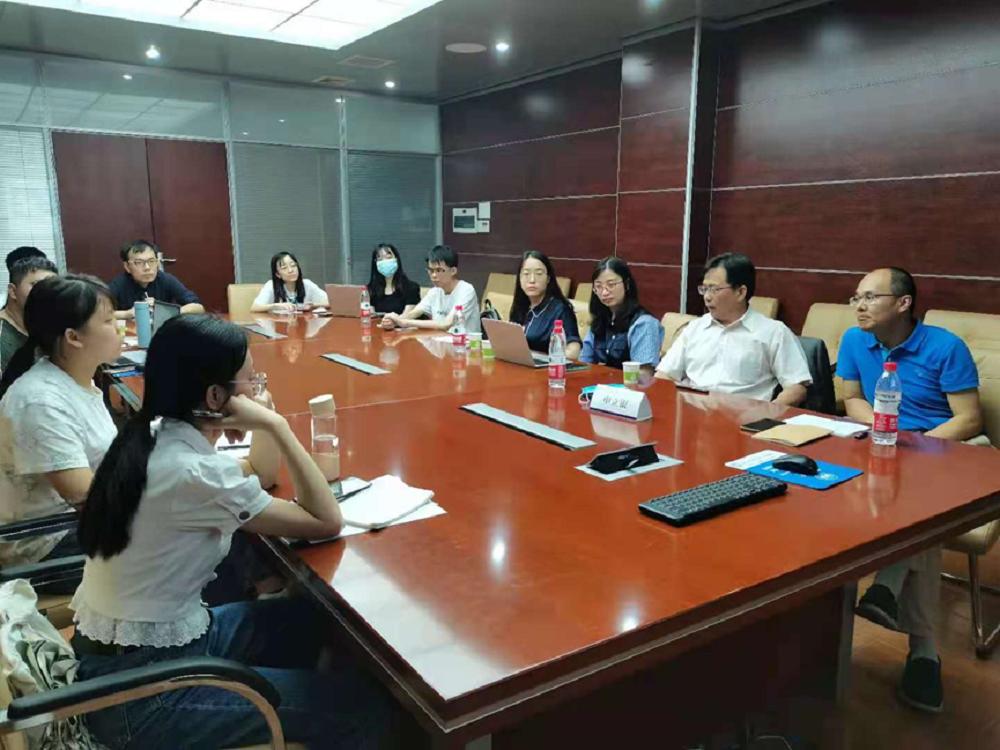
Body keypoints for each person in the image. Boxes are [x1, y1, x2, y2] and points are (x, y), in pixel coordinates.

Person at [72, 314, 390, 749]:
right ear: (215, 396)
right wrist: (277, 426)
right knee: (363, 710)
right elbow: (325, 520)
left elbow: (259, 471)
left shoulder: (153, 435)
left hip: (142, 650)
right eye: (250, 380)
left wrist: (263, 415)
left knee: (309, 620)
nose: (256, 388)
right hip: (143, 697)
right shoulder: (193, 472)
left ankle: (297, 705)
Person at [840, 266, 984, 714]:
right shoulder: (854, 340)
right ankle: (921, 649)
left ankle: (891, 590)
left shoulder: (945, 346)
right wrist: (883, 432)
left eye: (870, 297)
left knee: (919, 504)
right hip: (883, 443)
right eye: (856, 297)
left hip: (943, 445)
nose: (859, 306)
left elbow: (969, 418)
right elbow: (852, 398)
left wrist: (915, 446)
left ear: (903, 303)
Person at [0, 275, 121, 569]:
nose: (120, 328)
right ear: (73, 338)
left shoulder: (75, 380)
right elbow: (87, 499)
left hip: (77, 518)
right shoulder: (40, 401)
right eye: (109, 321)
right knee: (192, 531)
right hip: (46, 541)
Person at [656, 252, 811, 405]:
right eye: (704, 289)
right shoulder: (694, 328)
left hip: (744, 416)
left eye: (714, 289)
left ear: (740, 292)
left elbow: (796, 387)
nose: (707, 297)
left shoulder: (773, 333)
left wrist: (769, 414)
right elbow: (665, 375)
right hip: (693, 413)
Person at [579, 257, 662, 374]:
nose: (604, 292)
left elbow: (644, 375)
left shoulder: (644, 323)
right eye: (598, 286)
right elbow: (584, 364)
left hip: (629, 385)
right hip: (597, 383)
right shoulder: (600, 320)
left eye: (611, 285)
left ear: (626, 284)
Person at [380, 244, 480, 334]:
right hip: (440, 344)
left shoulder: (466, 290)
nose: (434, 275)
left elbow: (446, 324)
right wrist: (394, 320)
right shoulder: (434, 292)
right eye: (431, 270)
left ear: (453, 271)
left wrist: (404, 323)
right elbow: (414, 313)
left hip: (465, 345)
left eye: (439, 270)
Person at [509, 250, 581, 359]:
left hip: (547, 366)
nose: (532, 280)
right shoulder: (520, 305)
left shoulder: (560, 309)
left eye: (538, 274)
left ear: (548, 278)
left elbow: (574, 350)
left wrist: (550, 359)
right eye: (526, 274)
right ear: (519, 278)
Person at [108, 239, 204, 318]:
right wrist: (127, 314)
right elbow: (101, 314)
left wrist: (166, 311)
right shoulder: (119, 284)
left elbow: (198, 308)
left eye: (151, 261)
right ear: (127, 267)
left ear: (157, 262)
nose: (147, 267)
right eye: (139, 262)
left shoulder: (166, 279)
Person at [0, 256, 58, 371]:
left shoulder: (46, 325)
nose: (48, 293)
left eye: (53, 286)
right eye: (37, 285)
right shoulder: (3, 336)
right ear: (13, 291)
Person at [250, 251, 329, 313]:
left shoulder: (307, 284)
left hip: (303, 324)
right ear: (278, 274)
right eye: (284, 268)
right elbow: (254, 307)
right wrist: (276, 306)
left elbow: (331, 302)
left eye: (293, 265)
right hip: (279, 326)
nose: (291, 270)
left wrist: (313, 305)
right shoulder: (271, 285)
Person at [367, 243, 420, 315]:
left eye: (389, 257)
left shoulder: (411, 288)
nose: (385, 262)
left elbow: (407, 317)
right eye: (380, 259)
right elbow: (370, 315)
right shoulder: (371, 289)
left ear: (396, 260)